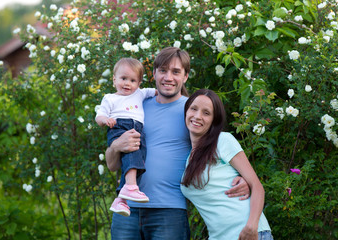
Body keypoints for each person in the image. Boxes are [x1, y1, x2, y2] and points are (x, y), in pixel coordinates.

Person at [105, 47, 250, 239]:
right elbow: (112, 164)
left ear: (186, 76)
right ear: (154, 73)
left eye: (176, 72)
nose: (168, 77)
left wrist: (244, 179)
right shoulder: (134, 106)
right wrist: (116, 146)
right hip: (126, 208)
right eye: (163, 70)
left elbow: (218, 149)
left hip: (170, 211)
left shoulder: (193, 110)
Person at [181, 89, 273, 240]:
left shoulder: (223, 140)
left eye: (206, 113)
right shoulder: (189, 158)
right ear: (186, 111)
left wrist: (252, 226)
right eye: (194, 109)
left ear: (214, 120)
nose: (197, 116)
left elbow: (257, 187)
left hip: (248, 233)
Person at [95, 58, 156, 217]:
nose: (127, 83)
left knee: (138, 159)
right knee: (134, 154)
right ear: (114, 79)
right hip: (119, 127)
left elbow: (157, 92)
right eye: (123, 79)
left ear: (139, 83)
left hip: (137, 128)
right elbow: (99, 116)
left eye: (133, 80)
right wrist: (105, 120)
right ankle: (130, 187)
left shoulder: (140, 93)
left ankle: (121, 200)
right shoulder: (110, 98)